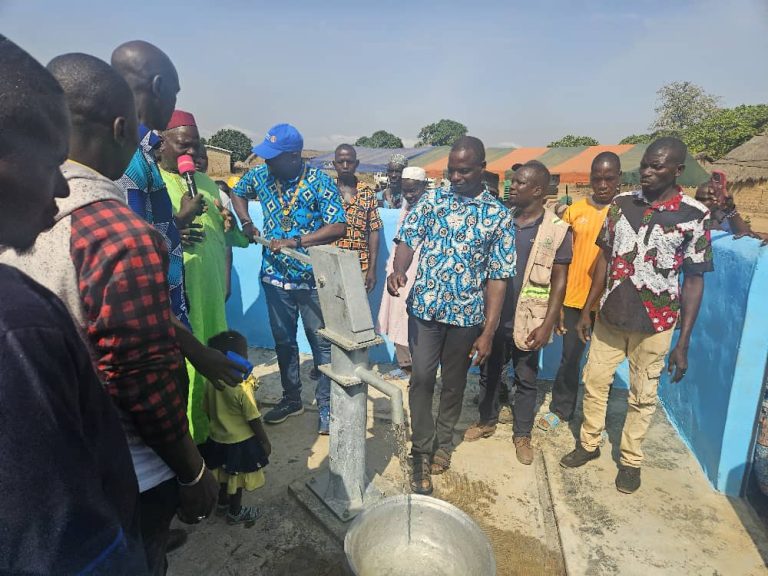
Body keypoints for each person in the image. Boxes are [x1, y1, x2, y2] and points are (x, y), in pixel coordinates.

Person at [3, 52, 222, 575]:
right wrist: (192, 473)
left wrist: (195, 351)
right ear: (123, 128)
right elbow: (142, 381)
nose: (58, 188)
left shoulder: (23, 216)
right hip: (123, 467)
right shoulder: (116, 233)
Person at [0, 37, 147, 575]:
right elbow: (54, 537)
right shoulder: (18, 326)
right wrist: (193, 472)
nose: (63, 184)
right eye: (49, 158)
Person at [561, 137, 714, 494]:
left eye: (656, 166)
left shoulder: (694, 215)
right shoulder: (621, 203)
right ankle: (588, 444)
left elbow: (693, 281)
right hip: (611, 316)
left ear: (677, 170)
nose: (646, 171)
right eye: (645, 164)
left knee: (643, 396)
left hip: (656, 323)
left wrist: (684, 341)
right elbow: (603, 258)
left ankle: (630, 461)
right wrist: (588, 309)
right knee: (595, 383)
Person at [111, 41, 242, 399]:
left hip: (178, 306)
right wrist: (179, 223)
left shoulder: (147, 156)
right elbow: (135, 266)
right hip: (150, 329)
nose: (192, 153)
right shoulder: (128, 163)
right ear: (158, 87)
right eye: (175, 93)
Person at [388, 136, 516, 494]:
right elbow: (408, 240)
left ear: (481, 169)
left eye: (464, 171)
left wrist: (488, 331)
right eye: (451, 171)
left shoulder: (497, 215)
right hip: (425, 309)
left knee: (454, 384)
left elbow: (498, 278)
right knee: (423, 377)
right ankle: (421, 449)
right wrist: (399, 269)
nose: (456, 177)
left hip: (466, 317)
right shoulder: (432, 200)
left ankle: (443, 445)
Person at [231, 124, 346, 434]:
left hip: (311, 280)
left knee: (321, 346)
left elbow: (338, 226)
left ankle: (326, 406)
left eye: (274, 158)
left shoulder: (320, 182)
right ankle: (291, 398)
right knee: (283, 342)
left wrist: (297, 240)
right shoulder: (263, 176)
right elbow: (236, 192)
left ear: (294, 156)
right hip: (274, 277)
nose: (267, 163)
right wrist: (245, 221)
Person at [466, 161, 572, 466]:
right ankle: (486, 420)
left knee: (526, 378)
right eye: (513, 181)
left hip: (530, 318)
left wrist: (548, 323)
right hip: (495, 316)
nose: (513, 186)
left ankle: (522, 434)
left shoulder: (556, 230)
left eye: (521, 183)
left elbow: (559, 281)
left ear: (538, 190)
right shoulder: (501, 221)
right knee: (488, 371)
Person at [159, 110, 251, 444]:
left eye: (196, 147)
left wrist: (230, 225)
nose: (192, 155)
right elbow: (137, 241)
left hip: (211, 291)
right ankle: (189, 442)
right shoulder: (150, 185)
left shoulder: (207, 183)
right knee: (185, 364)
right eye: (184, 146)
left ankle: (213, 434)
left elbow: (229, 238)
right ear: (161, 144)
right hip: (178, 296)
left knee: (213, 359)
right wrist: (175, 227)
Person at [538, 152, 621, 432]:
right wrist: (558, 302)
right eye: (597, 178)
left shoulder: (625, 213)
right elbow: (559, 260)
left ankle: (595, 418)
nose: (603, 184)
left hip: (611, 302)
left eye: (609, 178)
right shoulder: (576, 212)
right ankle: (562, 410)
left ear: (619, 179)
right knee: (570, 358)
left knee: (603, 366)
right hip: (575, 299)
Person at [202, 331, 271, 526]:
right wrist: (264, 441)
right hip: (240, 443)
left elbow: (206, 409)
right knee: (237, 480)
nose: (247, 357)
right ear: (234, 359)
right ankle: (235, 512)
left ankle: (222, 504)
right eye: (244, 353)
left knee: (224, 475)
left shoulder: (211, 381)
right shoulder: (241, 386)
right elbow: (253, 418)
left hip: (217, 439)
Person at [376, 166, 428, 379]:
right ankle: (405, 366)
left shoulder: (429, 208)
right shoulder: (407, 206)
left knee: (414, 322)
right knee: (396, 316)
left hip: (419, 272)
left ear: (424, 187)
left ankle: (419, 370)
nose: (409, 194)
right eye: (406, 190)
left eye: (414, 190)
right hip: (399, 271)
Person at [334, 144, 383, 292]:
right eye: (341, 161)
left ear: (357, 164)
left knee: (357, 312)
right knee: (329, 312)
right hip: (330, 263)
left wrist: (372, 269)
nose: (345, 165)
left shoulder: (367, 193)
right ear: (334, 164)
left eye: (349, 161)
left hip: (359, 265)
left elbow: (374, 231)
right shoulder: (326, 189)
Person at [695, 178, 767, 242]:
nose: (699, 203)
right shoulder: (693, 220)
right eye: (698, 199)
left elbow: (747, 234)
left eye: (704, 199)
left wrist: (731, 210)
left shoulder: (723, 218)